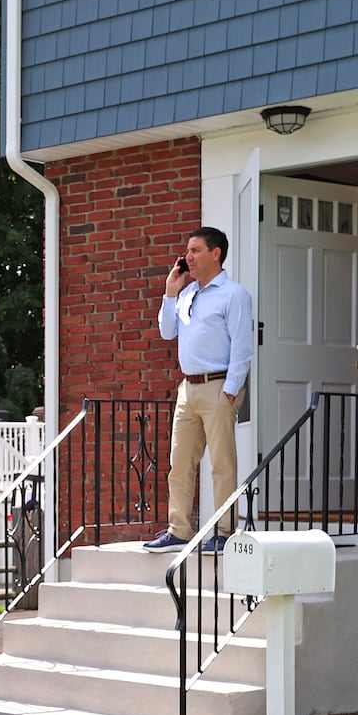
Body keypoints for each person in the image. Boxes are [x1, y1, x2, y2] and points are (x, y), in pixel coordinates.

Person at [144, 227, 255, 553]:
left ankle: (225, 532)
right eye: (187, 251)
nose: (187, 257)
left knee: (222, 465)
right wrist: (170, 292)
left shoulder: (234, 295)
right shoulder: (188, 293)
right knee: (179, 464)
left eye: (195, 250)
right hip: (188, 390)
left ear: (215, 253)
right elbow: (167, 332)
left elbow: (243, 347)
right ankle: (178, 530)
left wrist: (232, 390)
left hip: (219, 386)